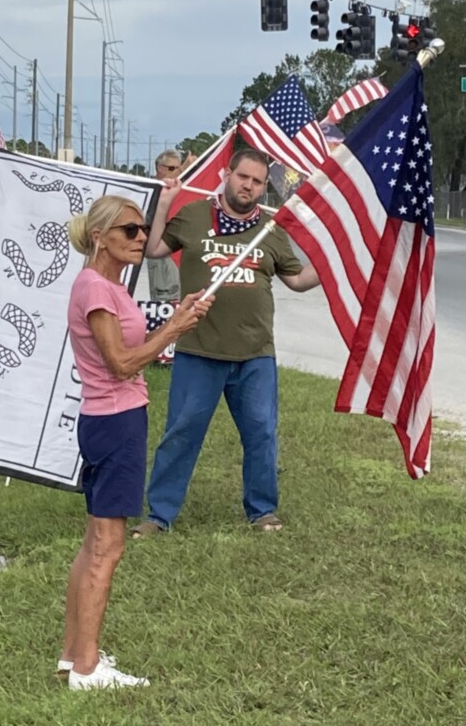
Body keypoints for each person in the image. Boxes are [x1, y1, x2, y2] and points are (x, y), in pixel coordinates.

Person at [60, 195, 213, 691]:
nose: (141, 238)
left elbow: (128, 348)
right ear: (100, 236)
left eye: (144, 229)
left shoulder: (105, 286)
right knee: (108, 548)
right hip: (115, 421)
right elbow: (121, 364)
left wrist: (178, 312)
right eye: (130, 230)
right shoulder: (95, 289)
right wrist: (174, 329)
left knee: (93, 545)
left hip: (113, 419)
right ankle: (87, 670)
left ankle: (73, 655)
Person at [132, 148, 320, 538]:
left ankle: (262, 510)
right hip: (199, 350)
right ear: (226, 173)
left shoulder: (271, 228)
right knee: (181, 433)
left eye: (257, 181)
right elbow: (153, 250)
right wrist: (165, 201)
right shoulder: (195, 216)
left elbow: (299, 280)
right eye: (243, 177)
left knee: (261, 433)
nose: (249, 186)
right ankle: (159, 515)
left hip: (255, 354)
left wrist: (337, 263)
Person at [146, 150, 183, 302]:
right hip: (160, 253)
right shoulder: (152, 189)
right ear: (159, 168)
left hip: (177, 250)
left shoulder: (179, 188)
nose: (177, 172)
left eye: (179, 168)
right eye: (172, 169)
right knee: (165, 301)